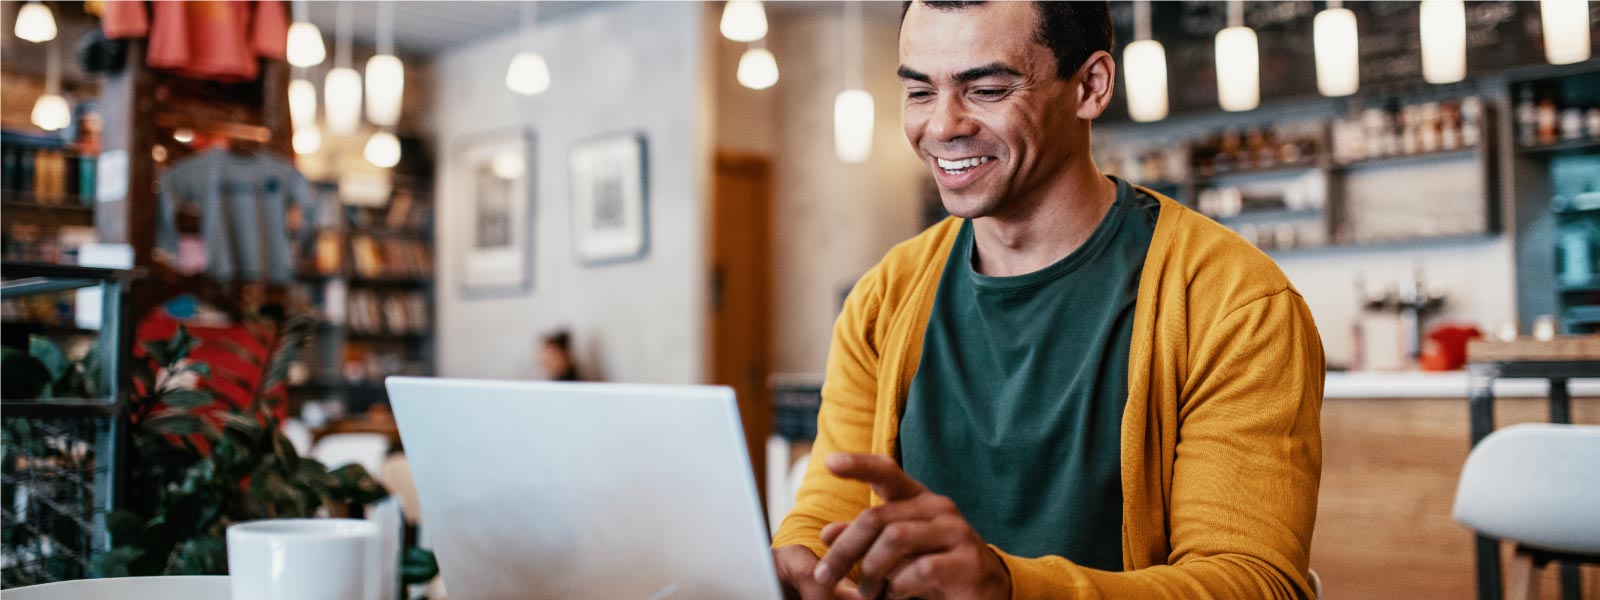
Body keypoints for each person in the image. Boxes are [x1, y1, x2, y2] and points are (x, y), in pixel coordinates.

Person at [770, 2, 1325, 599]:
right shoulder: (885, 299)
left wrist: (1009, 588)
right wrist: (801, 563)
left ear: (1090, 86)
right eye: (920, 91)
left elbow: (1253, 583)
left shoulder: (1235, 302)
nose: (941, 126)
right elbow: (830, 513)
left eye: (984, 89)